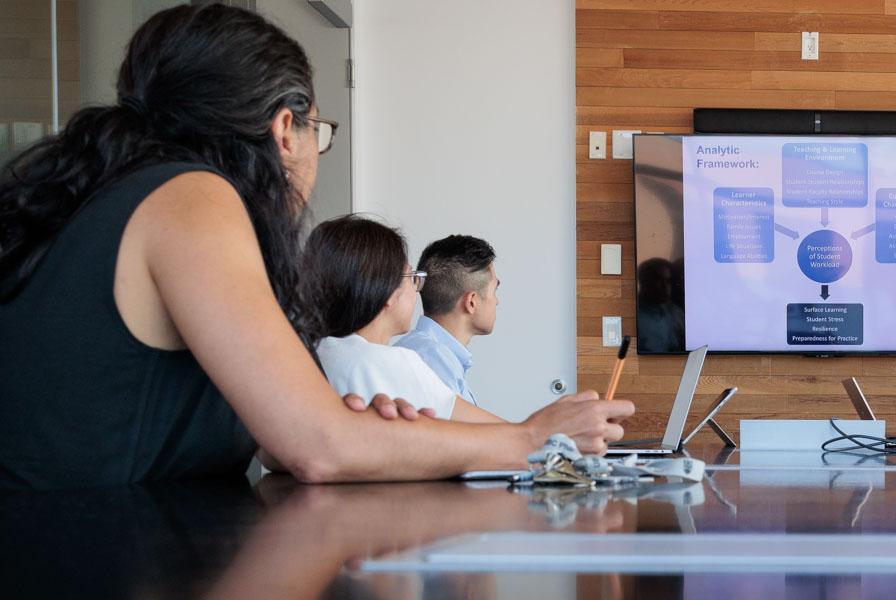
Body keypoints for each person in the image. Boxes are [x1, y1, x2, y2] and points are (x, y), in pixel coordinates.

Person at [0, 5, 631, 490]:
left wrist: (366, 431)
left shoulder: (128, 194)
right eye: (319, 132)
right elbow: (315, 448)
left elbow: (281, 442)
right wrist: (530, 439)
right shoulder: (192, 198)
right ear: (285, 129)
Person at [301, 216, 503, 423]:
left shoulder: (309, 357)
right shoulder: (391, 363)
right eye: (410, 276)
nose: (417, 288)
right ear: (387, 291)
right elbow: (499, 435)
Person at [394, 234, 500, 405]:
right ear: (471, 302)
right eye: (494, 290)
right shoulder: (433, 361)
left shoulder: (431, 353)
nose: (497, 301)